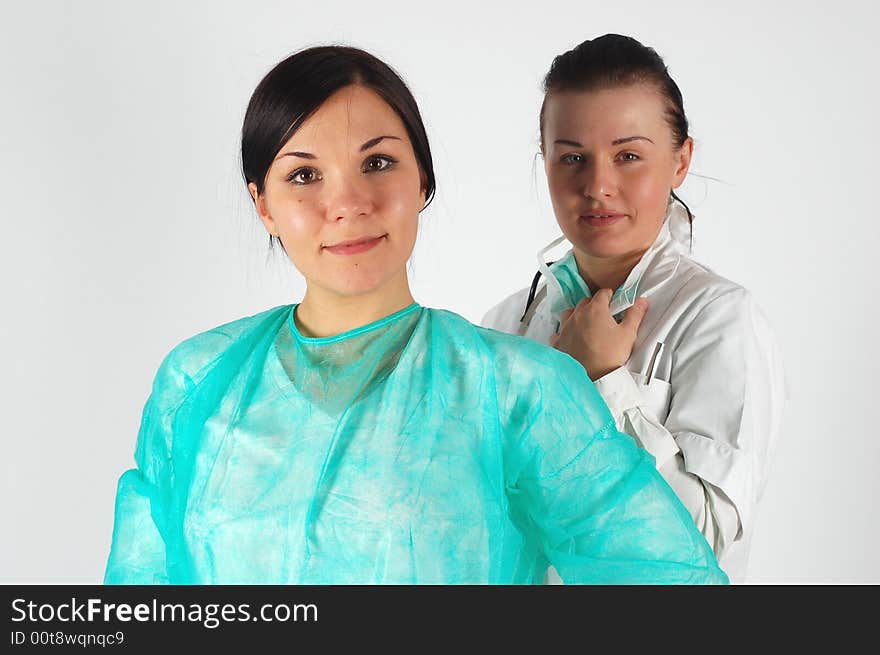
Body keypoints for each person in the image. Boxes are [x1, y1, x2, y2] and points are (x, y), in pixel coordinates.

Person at [104, 45, 727, 584]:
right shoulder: (196, 384)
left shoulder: (519, 392)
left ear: (423, 180)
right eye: (303, 174)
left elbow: (670, 579)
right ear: (262, 204)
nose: (346, 203)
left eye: (377, 163)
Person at [483, 34, 785, 583]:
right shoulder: (505, 327)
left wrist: (599, 379)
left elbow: (699, 548)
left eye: (628, 156)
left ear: (680, 161)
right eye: (573, 157)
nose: (599, 186)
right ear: (544, 163)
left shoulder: (719, 319)